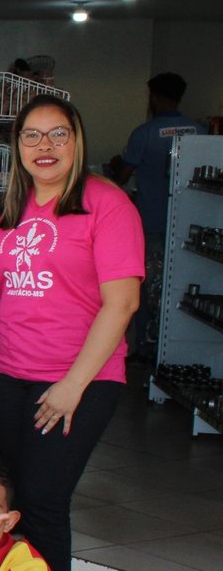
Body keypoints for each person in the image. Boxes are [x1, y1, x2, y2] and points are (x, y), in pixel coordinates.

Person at [0, 95, 142, 571]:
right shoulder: (11, 207)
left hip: (82, 380)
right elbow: (7, 298)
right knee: (11, 502)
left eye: (58, 134)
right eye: (33, 135)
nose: (45, 146)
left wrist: (73, 385)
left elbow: (121, 303)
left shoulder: (106, 204)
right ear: (18, 146)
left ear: (77, 142)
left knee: (44, 500)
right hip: (13, 374)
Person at [121, 72, 204, 357]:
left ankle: (147, 348)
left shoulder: (144, 133)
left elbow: (123, 174)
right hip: (191, 228)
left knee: (148, 288)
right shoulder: (200, 132)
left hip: (152, 223)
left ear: (154, 97)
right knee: (184, 289)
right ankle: (182, 353)